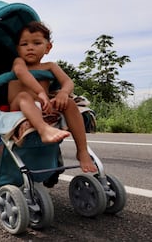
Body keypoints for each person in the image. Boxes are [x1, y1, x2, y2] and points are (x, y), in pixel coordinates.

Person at [8, 21, 97, 173]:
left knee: (68, 102)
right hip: (18, 107)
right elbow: (21, 73)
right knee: (24, 95)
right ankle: (44, 130)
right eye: (24, 44)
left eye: (36, 43)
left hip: (43, 107)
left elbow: (68, 82)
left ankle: (82, 151)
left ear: (48, 47)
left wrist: (63, 93)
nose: (30, 47)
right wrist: (41, 92)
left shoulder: (50, 66)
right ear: (17, 49)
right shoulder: (19, 61)